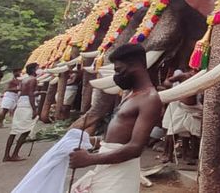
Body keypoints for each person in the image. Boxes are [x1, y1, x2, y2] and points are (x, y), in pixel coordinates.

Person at [69, 44, 162, 192]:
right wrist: (91, 141)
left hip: (121, 173)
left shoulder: (150, 99)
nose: (117, 76)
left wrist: (89, 159)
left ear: (134, 66)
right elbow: (117, 138)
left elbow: (135, 148)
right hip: (108, 170)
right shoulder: (132, 94)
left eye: (119, 70)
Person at [159, 69, 201, 164]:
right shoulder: (184, 76)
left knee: (194, 133)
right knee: (172, 131)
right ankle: (168, 156)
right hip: (181, 107)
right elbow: (167, 81)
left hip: (195, 107)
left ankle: (191, 157)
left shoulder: (202, 76)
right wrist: (174, 89)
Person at [4, 63, 39, 162]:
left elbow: (23, 93)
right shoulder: (33, 79)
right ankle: (15, 154)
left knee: (14, 131)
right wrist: (34, 109)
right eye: (38, 68)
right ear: (33, 70)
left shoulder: (24, 80)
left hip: (21, 103)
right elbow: (31, 94)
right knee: (26, 130)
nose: (39, 70)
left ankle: (6, 155)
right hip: (27, 104)